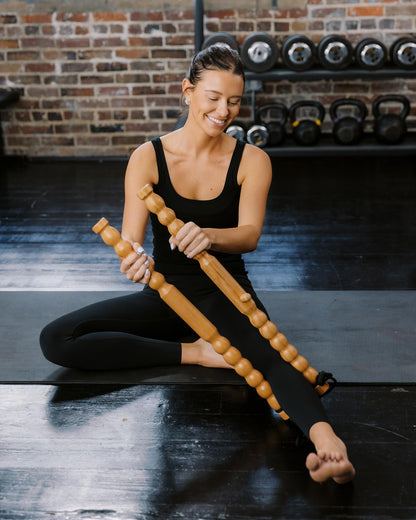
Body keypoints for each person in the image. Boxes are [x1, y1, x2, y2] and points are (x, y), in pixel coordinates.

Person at [40, 45, 355, 485]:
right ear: (187, 92)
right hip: (166, 294)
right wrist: (133, 259)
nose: (223, 110)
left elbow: (249, 235)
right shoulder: (146, 157)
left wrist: (210, 236)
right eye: (212, 97)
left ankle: (327, 445)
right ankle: (199, 354)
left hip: (224, 290)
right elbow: (131, 241)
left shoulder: (253, 160)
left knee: (268, 358)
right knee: (57, 338)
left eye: (234, 100)